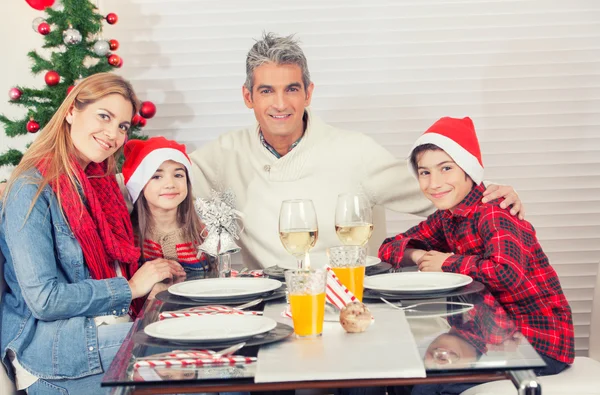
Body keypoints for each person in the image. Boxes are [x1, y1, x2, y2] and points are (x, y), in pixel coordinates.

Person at [189, 32, 524, 269]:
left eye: (291, 89)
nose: (280, 104)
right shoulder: (224, 154)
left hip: (353, 299)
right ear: (248, 97)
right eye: (266, 91)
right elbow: (169, 183)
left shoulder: (354, 151)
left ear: (308, 93)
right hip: (272, 303)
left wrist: (491, 196)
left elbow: (436, 190)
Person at [0, 73, 185, 395]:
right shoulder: (31, 190)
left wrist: (152, 283)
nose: (113, 134)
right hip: (57, 349)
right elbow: (44, 300)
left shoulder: (102, 186)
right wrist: (129, 287)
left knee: (216, 349)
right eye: (104, 116)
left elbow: (116, 262)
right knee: (196, 353)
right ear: (71, 111)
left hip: (107, 326)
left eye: (123, 126)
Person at [379, 116, 574, 395]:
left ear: (468, 170)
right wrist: (420, 255)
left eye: (446, 168)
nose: (434, 183)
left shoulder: (494, 211)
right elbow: (389, 247)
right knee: (401, 374)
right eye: (425, 172)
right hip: (483, 333)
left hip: (537, 340)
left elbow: (508, 274)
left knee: (430, 389)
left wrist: (446, 263)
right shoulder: (447, 215)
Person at [122, 136, 213, 275]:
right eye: (157, 176)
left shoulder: (203, 234)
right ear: (139, 184)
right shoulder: (127, 238)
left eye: (178, 175)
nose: (170, 184)